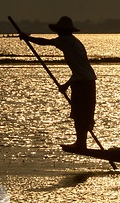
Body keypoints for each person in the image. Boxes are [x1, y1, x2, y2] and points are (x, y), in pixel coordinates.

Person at [20, 16, 96, 150]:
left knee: (80, 114)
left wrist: (28, 38)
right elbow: (78, 71)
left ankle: (81, 143)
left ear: (64, 31)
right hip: (84, 81)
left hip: (83, 83)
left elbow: (46, 42)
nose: (58, 33)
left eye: (60, 31)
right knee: (82, 114)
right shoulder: (73, 43)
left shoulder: (67, 41)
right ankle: (81, 142)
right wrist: (66, 85)